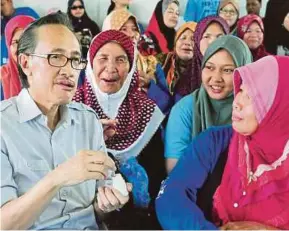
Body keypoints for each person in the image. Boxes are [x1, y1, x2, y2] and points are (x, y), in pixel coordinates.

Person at [0, 12, 130, 230]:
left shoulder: (88, 121)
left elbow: (98, 212)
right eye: (56, 57)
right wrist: (58, 177)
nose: (69, 70)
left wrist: (107, 205)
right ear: (25, 63)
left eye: (74, 59)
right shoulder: (4, 126)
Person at [156, 55, 289, 230]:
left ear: (279, 106)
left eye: (251, 97)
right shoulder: (214, 142)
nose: (237, 103)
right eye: (240, 91)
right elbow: (171, 197)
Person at [73, 30, 166, 229]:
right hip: (77, 214)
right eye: (103, 58)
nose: (111, 68)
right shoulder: (72, 108)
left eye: (121, 60)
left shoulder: (147, 112)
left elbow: (156, 175)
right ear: (90, 63)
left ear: (132, 67)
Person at [164, 35, 252, 173]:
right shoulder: (184, 110)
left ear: (243, 72)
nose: (216, 78)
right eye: (209, 67)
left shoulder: (253, 110)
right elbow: (175, 172)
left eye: (227, 70)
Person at [147, 22, 197, 115]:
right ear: (175, 42)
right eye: (183, 38)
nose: (187, 43)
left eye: (193, 39)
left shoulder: (203, 72)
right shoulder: (159, 62)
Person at [102, 9, 157, 90]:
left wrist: (149, 85)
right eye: (124, 29)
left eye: (134, 29)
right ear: (110, 32)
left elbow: (166, 100)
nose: (132, 34)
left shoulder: (149, 63)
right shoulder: (97, 65)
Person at [189, 16, 230, 98]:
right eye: (206, 36)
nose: (213, 42)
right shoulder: (185, 78)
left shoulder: (235, 72)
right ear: (197, 40)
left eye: (219, 37)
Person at [0, 15, 35, 100]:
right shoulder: (2, 75)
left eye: (26, 41)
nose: (21, 47)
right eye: (16, 42)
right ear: (9, 46)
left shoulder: (47, 73)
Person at [1, 0, 39, 65]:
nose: (0, 9)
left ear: (10, 1)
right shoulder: (2, 21)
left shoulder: (26, 12)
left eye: (2, 4)